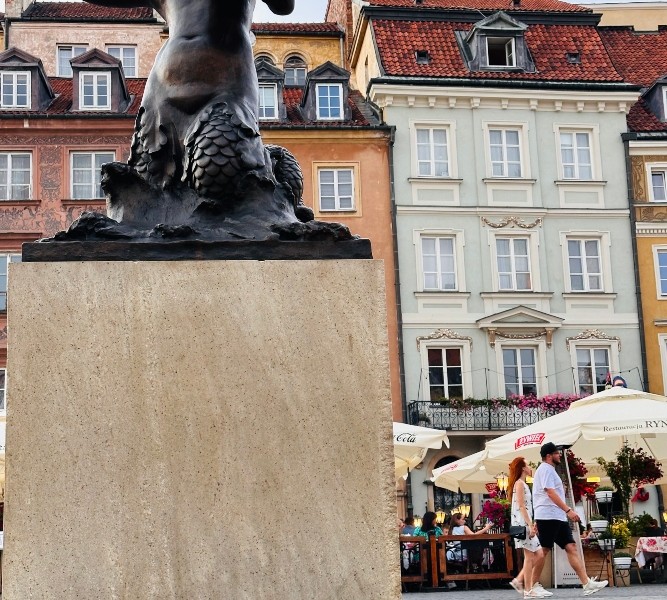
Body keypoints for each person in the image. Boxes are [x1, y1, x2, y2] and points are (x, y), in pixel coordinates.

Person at [532, 442, 608, 596]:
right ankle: (531, 586)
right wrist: (568, 510)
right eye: (556, 453)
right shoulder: (545, 469)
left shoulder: (550, 470)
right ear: (549, 456)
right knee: (544, 551)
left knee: (571, 547)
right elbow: (550, 493)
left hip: (557, 516)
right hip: (548, 515)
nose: (559, 455)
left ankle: (586, 583)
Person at [507, 457, 546, 598]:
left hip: (526, 523)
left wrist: (532, 523)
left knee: (539, 553)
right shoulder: (519, 484)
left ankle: (520, 581)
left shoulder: (523, 484)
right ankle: (528, 590)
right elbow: (522, 506)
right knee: (530, 556)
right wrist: (530, 525)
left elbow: (526, 507)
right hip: (523, 525)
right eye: (528, 465)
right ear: (523, 468)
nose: (531, 468)